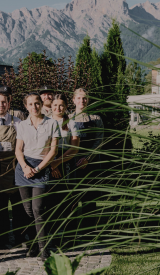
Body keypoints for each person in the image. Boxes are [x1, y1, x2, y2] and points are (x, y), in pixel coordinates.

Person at [15, 92, 60, 260]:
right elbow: (18, 150)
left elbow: (53, 150)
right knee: (27, 211)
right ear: (26, 107)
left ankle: (44, 248)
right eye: (30, 104)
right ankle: (33, 245)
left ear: (41, 104)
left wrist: (39, 168)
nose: (34, 107)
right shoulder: (22, 125)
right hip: (24, 168)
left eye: (36, 103)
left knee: (38, 209)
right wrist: (26, 167)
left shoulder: (52, 123)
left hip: (41, 167)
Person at [0, 89, 26, 246]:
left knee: (18, 207)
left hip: (15, 168)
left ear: (8, 104)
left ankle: (19, 238)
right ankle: (1, 239)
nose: (1, 105)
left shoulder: (18, 122)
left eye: (4, 102)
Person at [70, 88, 104, 231]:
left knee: (89, 196)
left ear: (88, 100)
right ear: (73, 100)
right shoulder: (68, 118)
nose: (82, 101)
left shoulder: (96, 119)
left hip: (90, 163)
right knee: (71, 196)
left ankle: (88, 231)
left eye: (84, 98)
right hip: (71, 161)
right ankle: (70, 230)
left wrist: (87, 158)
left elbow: (99, 141)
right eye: (79, 98)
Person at [48, 94, 80, 235]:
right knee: (51, 198)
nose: (58, 108)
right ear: (51, 106)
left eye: (61, 105)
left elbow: (74, 148)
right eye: (55, 105)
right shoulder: (46, 122)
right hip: (49, 162)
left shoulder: (72, 122)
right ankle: (52, 231)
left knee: (66, 197)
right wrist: (51, 164)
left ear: (66, 106)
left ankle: (68, 232)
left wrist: (57, 162)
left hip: (66, 161)